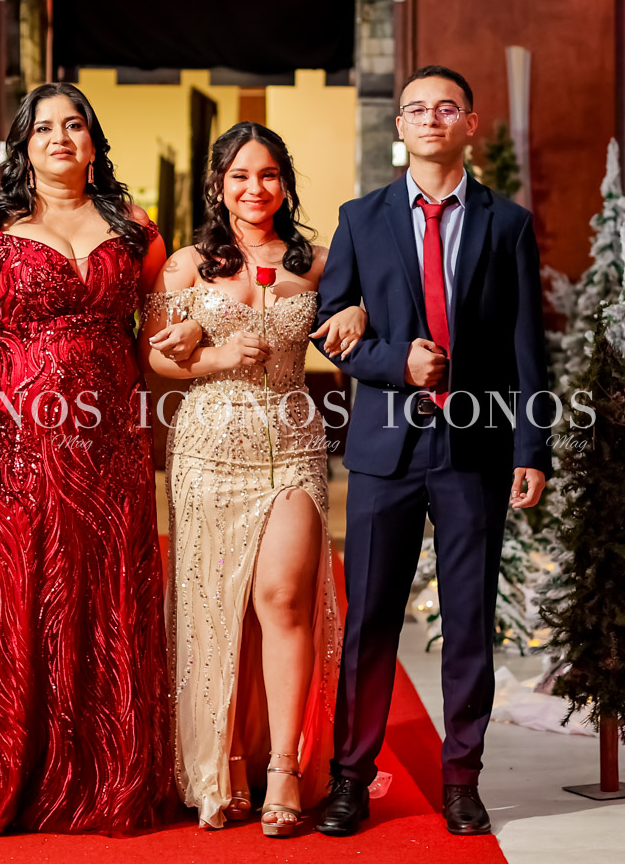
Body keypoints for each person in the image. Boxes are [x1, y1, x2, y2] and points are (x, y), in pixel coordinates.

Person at [0, 82, 201, 835]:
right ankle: (19, 774)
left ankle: (111, 777)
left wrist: (185, 347)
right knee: (23, 596)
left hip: (111, 442)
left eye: (74, 125)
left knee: (107, 596)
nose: (60, 138)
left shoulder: (135, 230)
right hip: (20, 442)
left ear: (93, 142)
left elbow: (158, 333)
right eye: (44, 127)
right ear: (24, 146)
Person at [313, 65, 551, 838]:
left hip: (476, 449)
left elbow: (527, 347)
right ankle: (350, 779)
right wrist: (397, 363)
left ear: (469, 123)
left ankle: (461, 779)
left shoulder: (507, 225)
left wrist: (533, 447)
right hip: (384, 449)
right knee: (369, 622)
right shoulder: (361, 218)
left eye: (446, 107)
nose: (430, 118)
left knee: (469, 620)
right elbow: (332, 331)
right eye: (416, 108)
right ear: (400, 127)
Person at [139, 122, 372, 836]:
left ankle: (285, 768)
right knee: (218, 606)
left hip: (293, 441)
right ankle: (224, 763)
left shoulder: (323, 264)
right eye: (240, 175)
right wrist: (211, 355)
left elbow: (373, 313)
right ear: (218, 184)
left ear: (285, 183)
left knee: (282, 597)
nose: (255, 188)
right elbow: (156, 357)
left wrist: (358, 308)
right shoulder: (185, 266)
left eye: (268, 174)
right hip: (208, 446)